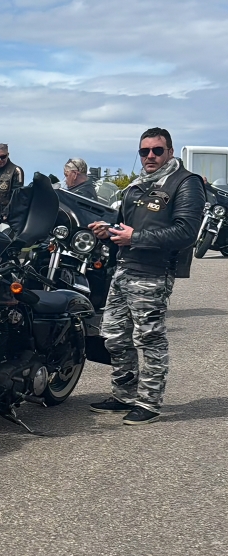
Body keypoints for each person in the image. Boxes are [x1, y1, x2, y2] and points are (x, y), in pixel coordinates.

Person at [88, 127, 205, 425]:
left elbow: (186, 232)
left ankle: (149, 403)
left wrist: (135, 237)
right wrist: (107, 232)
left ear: (170, 151)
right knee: (114, 335)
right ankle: (124, 395)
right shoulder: (137, 185)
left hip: (153, 273)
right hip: (124, 268)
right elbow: (124, 228)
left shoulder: (185, 182)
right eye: (144, 151)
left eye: (157, 150)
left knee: (149, 338)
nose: (150, 156)